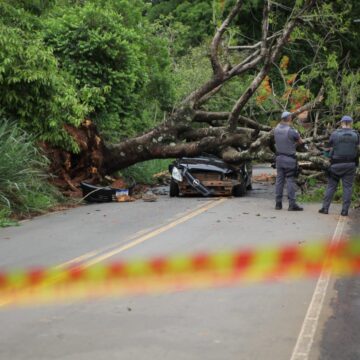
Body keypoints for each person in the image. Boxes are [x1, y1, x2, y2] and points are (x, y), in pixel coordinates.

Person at [319, 115, 359, 216]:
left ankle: (325, 208)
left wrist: (328, 157)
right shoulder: (356, 135)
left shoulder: (335, 134)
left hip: (336, 165)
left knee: (331, 187)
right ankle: (344, 211)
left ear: (341, 123)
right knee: (348, 188)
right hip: (350, 165)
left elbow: (328, 148)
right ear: (351, 123)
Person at [274, 111, 304, 211]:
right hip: (289, 159)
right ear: (290, 118)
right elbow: (301, 142)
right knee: (290, 180)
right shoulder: (291, 131)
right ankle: (292, 204)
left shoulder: (276, 129)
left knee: (279, 181)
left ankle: (278, 204)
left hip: (279, 158)